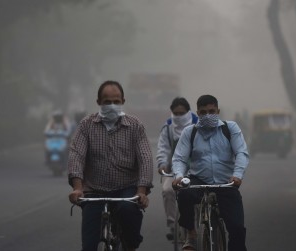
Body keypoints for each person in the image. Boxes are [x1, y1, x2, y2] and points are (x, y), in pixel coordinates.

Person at [68, 80, 153, 251]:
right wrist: (77, 188)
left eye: (116, 101)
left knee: (128, 213)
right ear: (99, 102)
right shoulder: (86, 125)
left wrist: (141, 192)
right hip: (94, 190)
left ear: (123, 101)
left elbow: (145, 159)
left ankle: (130, 244)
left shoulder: (135, 126)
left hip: (126, 188)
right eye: (107, 101)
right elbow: (76, 155)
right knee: (89, 244)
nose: (112, 105)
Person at [171, 94, 249, 251]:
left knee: (237, 228)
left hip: (227, 183)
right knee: (184, 194)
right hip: (199, 180)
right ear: (198, 113)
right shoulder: (189, 132)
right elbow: (179, 158)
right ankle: (191, 234)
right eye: (204, 112)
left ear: (218, 111)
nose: (208, 115)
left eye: (212, 111)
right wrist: (178, 176)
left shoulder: (230, 128)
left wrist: (237, 175)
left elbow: (241, 152)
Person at [156, 97, 198, 240]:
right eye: (176, 113)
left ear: (188, 112)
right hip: (172, 169)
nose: (179, 117)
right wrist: (162, 163)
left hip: (195, 169)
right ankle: (173, 224)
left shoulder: (198, 124)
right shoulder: (168, 127)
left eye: (182, 113)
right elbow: (163, 148)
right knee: (168, 190)